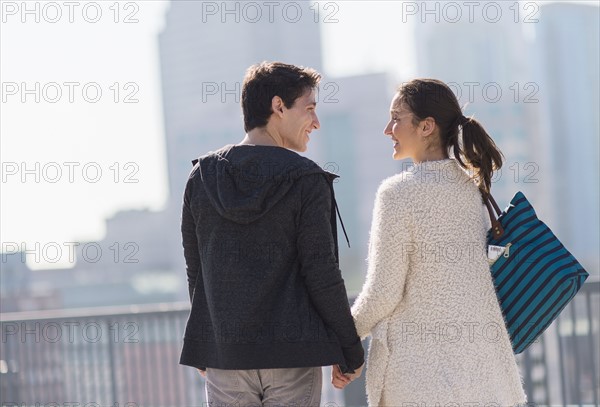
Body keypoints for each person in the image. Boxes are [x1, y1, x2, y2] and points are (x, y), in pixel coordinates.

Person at [180, 61, 364, 406]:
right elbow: (321, 273)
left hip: (227, 356)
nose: (316, 122)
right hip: (293, 355)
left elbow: (197, 272)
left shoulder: (202, 178)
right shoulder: (307, 180)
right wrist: (349, 347)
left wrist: (209, 341)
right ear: (278, 106)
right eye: (309, 109)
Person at [332, 79, 527, 405]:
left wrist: (343, 340)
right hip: (481, 371)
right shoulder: (468, 187)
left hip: (423, 378)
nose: (387, 129)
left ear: (426, 127)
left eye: (396, 118)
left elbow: (383, 293)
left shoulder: (397, 195)